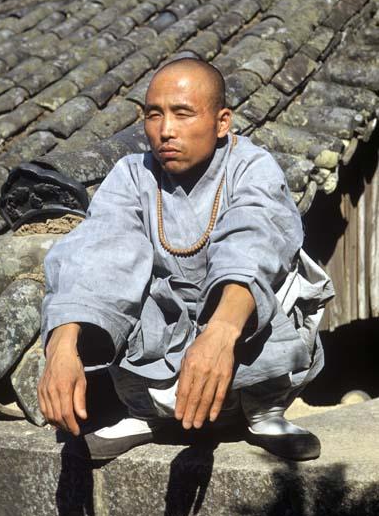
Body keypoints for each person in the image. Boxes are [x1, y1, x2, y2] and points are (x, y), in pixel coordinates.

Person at [38, 58, 334, 461]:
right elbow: (99, 250)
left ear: (222, 121)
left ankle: (265, 413)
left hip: (236, 338)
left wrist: (221, 331)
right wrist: (62, 344)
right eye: (154, 115)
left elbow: (256, 237)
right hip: (165, 343)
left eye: (183, 114)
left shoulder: (251, 166)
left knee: (276, 279)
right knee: (107, 292)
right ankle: (145, 414)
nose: (165, 131)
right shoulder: (131, 175)